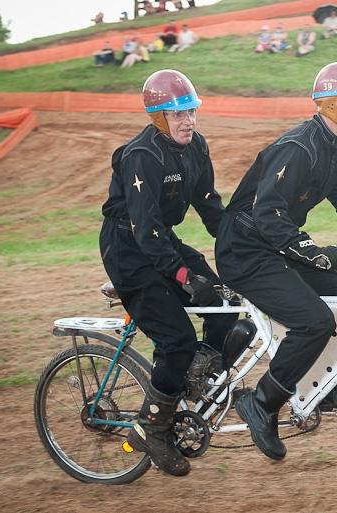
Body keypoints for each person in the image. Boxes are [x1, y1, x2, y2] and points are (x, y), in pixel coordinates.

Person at [215, 59, 337, 461]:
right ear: (332, 104)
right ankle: (262, 403)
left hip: (275, 242)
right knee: (315, 320)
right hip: (245, 250)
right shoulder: (299, 148)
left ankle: (326, 385)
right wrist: (314, 253)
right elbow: (267, 214)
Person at [100, 69, 240, 476]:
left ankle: (194, 379)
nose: (188, 121)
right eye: (177, 114)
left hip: (162, 241)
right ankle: (152, 428)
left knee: (226, 304)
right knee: (177, 339)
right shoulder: (142, 155)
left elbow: (211, 208)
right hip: (128, 248)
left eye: (191, 112)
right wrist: (183, 277)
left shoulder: (197, 147)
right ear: (158, 118)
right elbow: (145, 230)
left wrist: (247, 246)